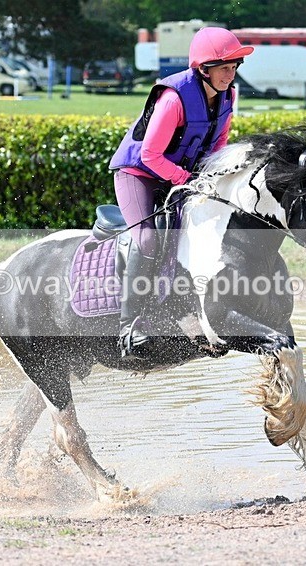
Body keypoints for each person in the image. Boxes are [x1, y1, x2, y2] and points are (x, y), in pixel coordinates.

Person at [108, 27, 254, 358]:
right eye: (224, 68)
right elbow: (149, 156)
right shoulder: (174, 98)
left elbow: (217, 144)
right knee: (147, 240)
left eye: (234, 68)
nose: (230, 75)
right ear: (203, 68)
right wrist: (186, 177)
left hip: (177, 178)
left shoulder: (227, 97)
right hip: (139, 175)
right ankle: (129, 328)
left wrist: (214, 174)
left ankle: (185, 309)